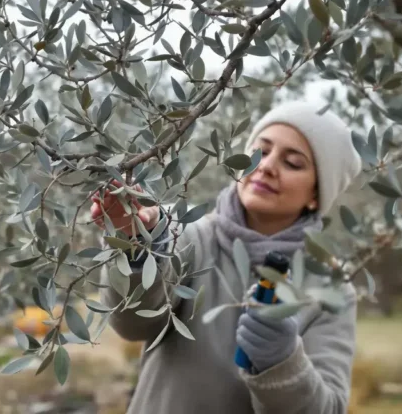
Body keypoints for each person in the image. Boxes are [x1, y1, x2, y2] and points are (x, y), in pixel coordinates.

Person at [90, 100, 363, 414]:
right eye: (261, 150)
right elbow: (132, 325)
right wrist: (137, 243)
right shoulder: (182, 234)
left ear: (317, 195)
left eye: (293, 163)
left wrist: (283, 361)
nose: (266, 165)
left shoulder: (331, 289)